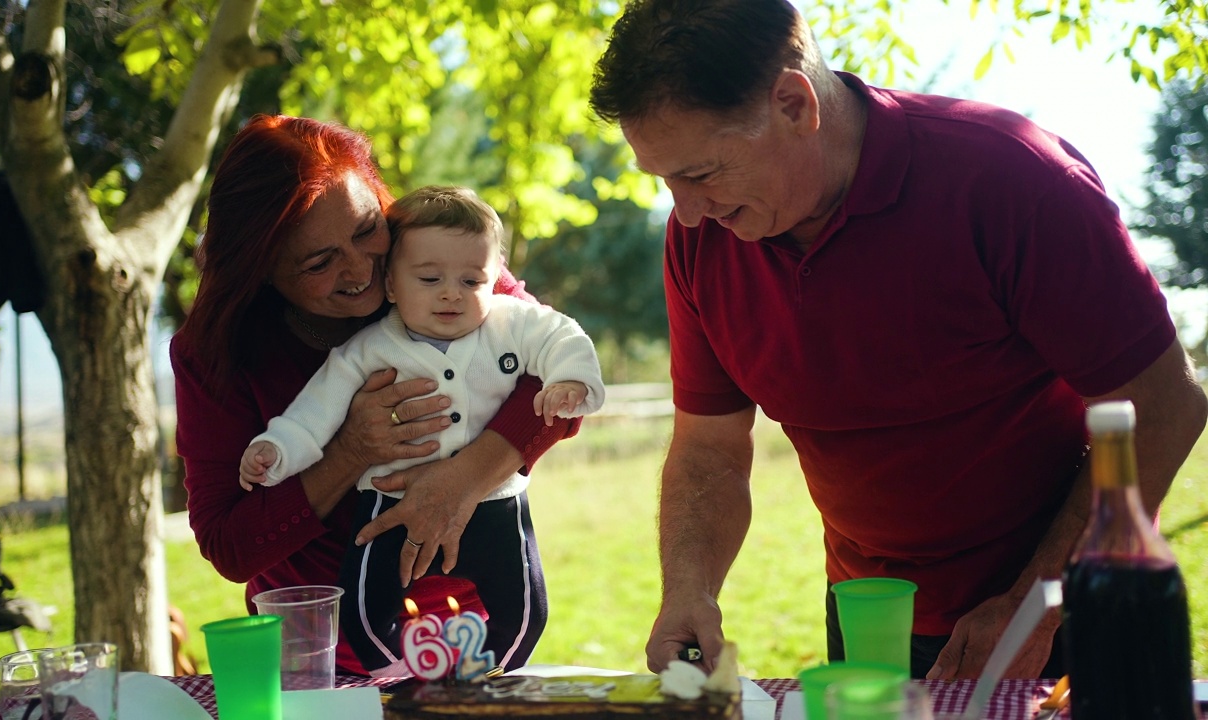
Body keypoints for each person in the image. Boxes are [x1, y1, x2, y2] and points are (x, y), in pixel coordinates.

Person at [588, 0, 1208, 680]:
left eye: (700, 173)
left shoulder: (1012, 179)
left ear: (794, 104)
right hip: (869, 613)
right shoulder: (700, 240)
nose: (685, 209)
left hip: (1070, 605)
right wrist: (689, 590)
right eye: (665, 180)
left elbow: (1163, 405)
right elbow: (708, 451)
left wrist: (1037, 603)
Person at [171, 115, 582, 676]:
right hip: (317, 651)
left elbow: (551, 380)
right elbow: (229, 545)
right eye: (319, 262)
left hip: (471, 629)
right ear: (260, 272)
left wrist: (460, 480)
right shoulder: (214, 352)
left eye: (367, 229)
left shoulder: (436, 265)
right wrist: (349, 451)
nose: (362, 269)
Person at [240, 185, 605, 675]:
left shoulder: (512, 323)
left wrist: (570, 379)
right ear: (391, 286)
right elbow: (315, 412)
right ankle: (400, 679)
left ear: (495, 279)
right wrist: (276, 449)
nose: (451, 292)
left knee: (525, 610)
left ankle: (491, 679)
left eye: (472, 280)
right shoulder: (368, 350)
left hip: (495, 502)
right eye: (430, 278)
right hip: (386, 505)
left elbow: (565, 335)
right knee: (365, 611)